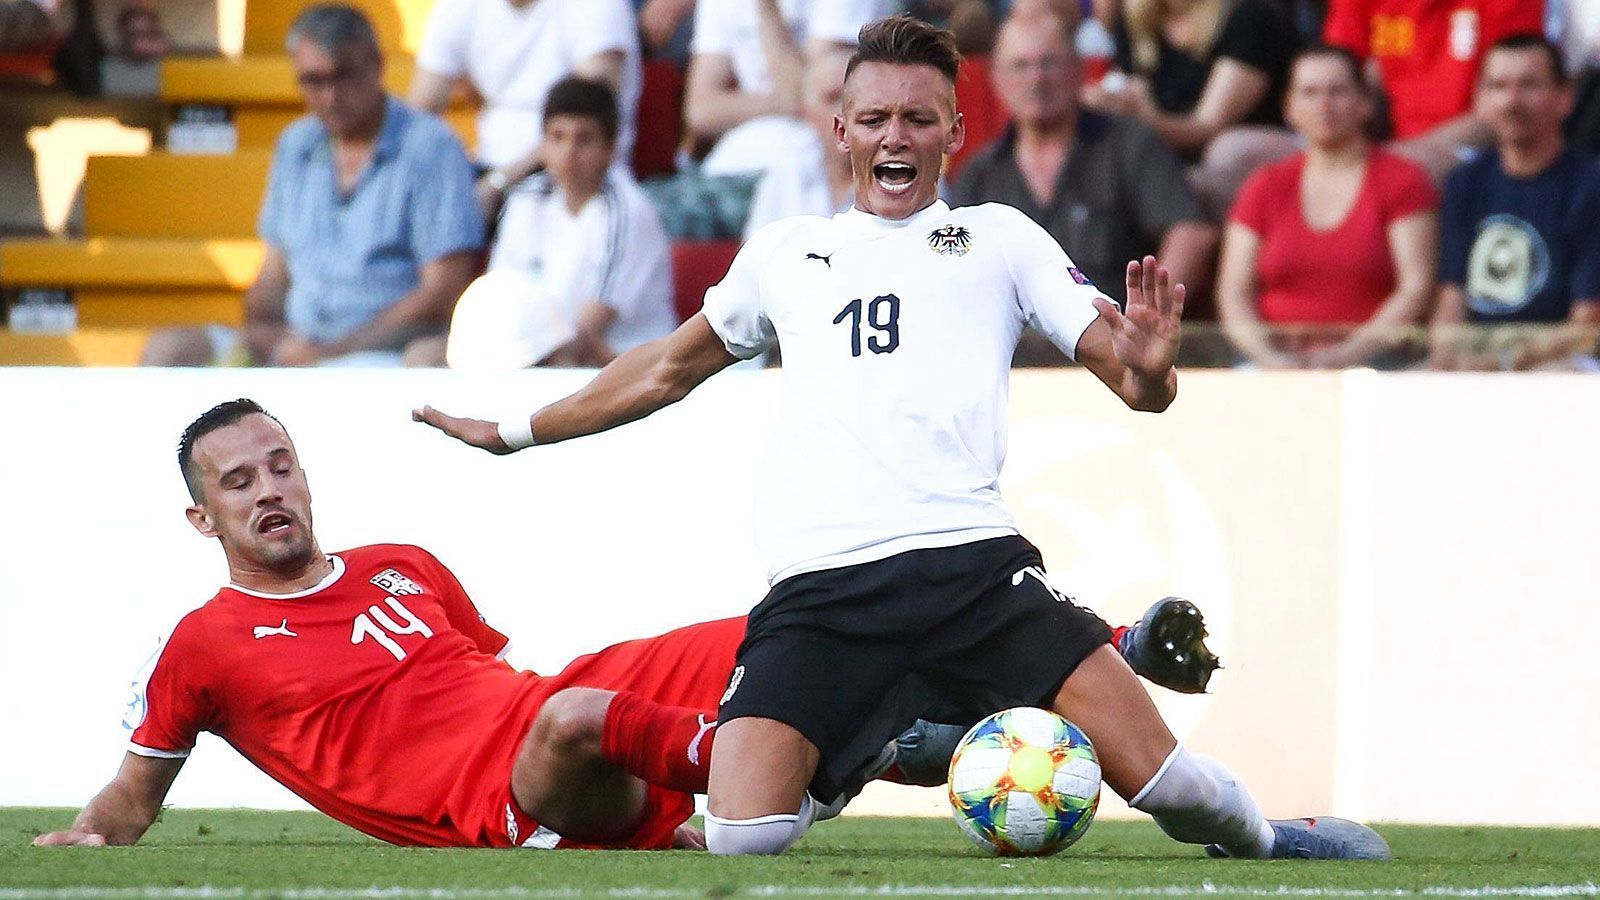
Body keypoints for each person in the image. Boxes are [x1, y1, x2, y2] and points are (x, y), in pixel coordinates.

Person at [414, 14, 1390, 861]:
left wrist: (1149, 360)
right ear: (839, 131)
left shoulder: (1001, 239)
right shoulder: (786, 256)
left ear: (954, 135)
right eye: (874, 118)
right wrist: (514, 430)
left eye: (918, 119)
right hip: (823, 591)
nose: (895, 136)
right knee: (748, 835)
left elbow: (1136, 385)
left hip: (975, 571)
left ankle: (1272, 837)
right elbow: (664, 368)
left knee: (1169, 785)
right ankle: (881, 738)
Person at [31, 398, 1219, 851]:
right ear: (203, 517)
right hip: (522, 787)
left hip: (563, 691)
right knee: (579, 718)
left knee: (786, 624)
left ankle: (1100, 656)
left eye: (279, 464)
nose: (271, 490)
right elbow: (125, 808)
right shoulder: (201, 647)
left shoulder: (400, 566)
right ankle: (800, 772)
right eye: (239, 483)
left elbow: (482, 671)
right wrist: (79, 845)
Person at [139, 4, 483, 369]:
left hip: (381, 353)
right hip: (298, 344)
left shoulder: (431, 147)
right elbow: (272, 273)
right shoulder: (296, 144)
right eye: (314, 81)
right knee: (170, 350)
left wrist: (328, 352)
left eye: (343, 76)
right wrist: (264, 335)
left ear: (376, 64)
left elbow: (441, 293)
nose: (331, 96)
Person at [950, 8, 1216, 316]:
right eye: (1020, 66)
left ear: (1079, 69)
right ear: (996, 78)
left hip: (1114, 345)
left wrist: (1144, 324)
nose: (1036, 78)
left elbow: (1191, 234)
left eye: (1049, 62)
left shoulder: (1129, 145)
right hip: (1014, 356)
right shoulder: (979, 173)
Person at [1217, 44, 1438, 369]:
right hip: (1271, 368)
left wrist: (1342, 358)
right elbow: (1233, 292)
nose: (1324, 104)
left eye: (1338, 91)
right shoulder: (1265, 184)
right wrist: (1269, 357)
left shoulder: (1403, 180)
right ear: (1288, 108)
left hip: (1376, 366)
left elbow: (1415, 289)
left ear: (1366, 103)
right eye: (1309, 92)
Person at [439, 77, 677, 370]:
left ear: (611, 148)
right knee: (426, 356)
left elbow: (587, 332)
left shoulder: (628, 211)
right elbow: (502, 296)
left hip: (620, 366)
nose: (569, 153)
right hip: (541, 354)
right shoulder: (526, 197)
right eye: (557, 136)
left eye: (585, 139)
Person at [1429, 34, 1600, 371]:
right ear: (1480, 99)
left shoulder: (1589, 185)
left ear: (1564, 98)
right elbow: (1453, 297)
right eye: (1498, 86)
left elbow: (1587, 323)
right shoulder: (1466, 181)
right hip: (1479, 359)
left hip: (1563, 362)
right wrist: (1447, 355)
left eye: (1529, 85)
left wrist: (1503, 362)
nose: (1512, 101)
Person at [408, 0, 642, 217]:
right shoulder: (460, 6)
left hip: (570, 181)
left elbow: (588, 118)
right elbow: (417, 116)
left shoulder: (596, 6)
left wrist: (499, 183)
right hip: (484, 171)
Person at [1085, 0, 1298, 159]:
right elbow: (1140, 101)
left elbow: (1209, 127)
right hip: (1167, 152)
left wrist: (1134, 121)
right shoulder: (1137, 20)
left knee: (1226, 154)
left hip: (1248, 152)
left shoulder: (1248, 16)